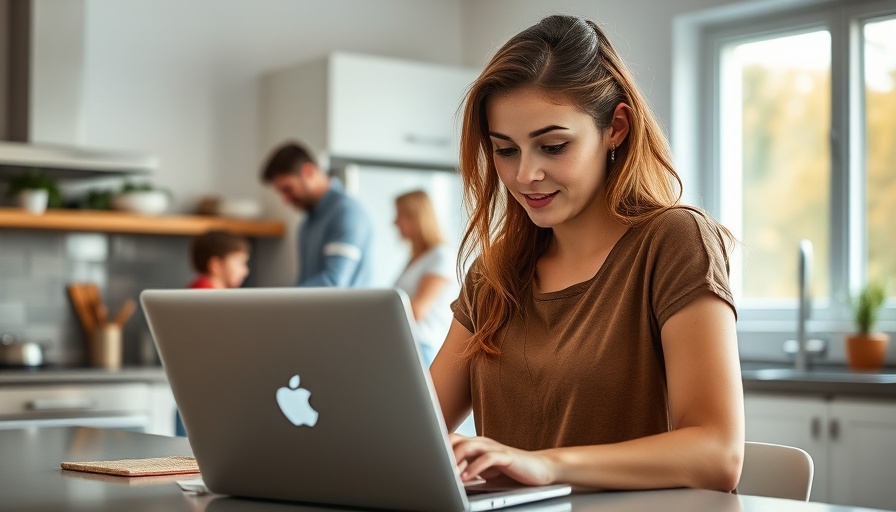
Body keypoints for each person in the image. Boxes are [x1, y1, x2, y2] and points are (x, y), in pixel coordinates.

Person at [430, 14, 745, 492]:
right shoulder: (492, 275)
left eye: (552, 147)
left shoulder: (674, 241)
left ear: (615, 127)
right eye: (505, 150)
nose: (524, 175)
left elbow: (717, 453)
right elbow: (421, 424)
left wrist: (548, 467)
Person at [260, 141, 373, 287]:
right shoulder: (307, 224)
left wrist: (277, 300)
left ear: (308, 171)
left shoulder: (346, 213)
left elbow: (334, 282)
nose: (286, 200)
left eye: (288, 189)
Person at [177, 229, 251, 436]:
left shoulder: (202, 293)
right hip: (203, 393)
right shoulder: (205, 297)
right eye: (240, 263)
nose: (245, 271)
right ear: (216, 265)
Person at [393, 190, 460, 367]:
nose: (394, 222)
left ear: (417, 217)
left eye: (400, 215)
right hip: (409, 344)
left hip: (422, 346)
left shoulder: (441, 256)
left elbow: (418, 310)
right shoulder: (417, 259)